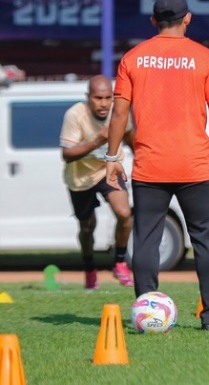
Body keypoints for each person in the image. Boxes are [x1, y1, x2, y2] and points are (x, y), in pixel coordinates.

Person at [105, 0, 209, 330]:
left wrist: (112, 157)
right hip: (195, 164)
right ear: (187, 18)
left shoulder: (133, 57)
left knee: (146, 239)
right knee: (206, 240)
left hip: (151, 165)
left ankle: (147, 313)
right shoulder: (205, 58)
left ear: (153, 21)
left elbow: (119, 113)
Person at [60, 75, 135, 289]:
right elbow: (66, 154)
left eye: (108, 98)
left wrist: (140, 156)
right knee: (87, 227)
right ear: (88, 97)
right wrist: (97, 141)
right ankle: (89, 267)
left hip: (109, 169)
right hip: (80, 177)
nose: (103, 103)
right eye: (98, 98)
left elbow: (129, 135)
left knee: (124, 213)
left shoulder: (119, 111)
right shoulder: (75, 115)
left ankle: (120, 263)